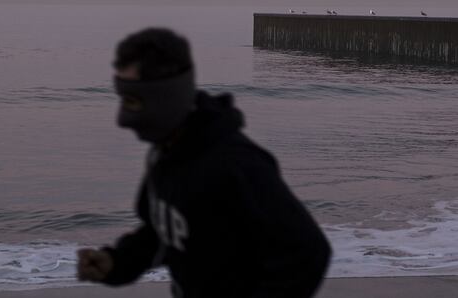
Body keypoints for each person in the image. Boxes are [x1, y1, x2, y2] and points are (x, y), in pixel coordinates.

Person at [76, 27, 331, 297]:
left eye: (133, 100)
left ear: (165, 96)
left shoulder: (236, 164)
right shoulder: (164, 154)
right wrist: (117, 262)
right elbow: (162, 233)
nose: (123, 118)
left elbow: (309, 253)